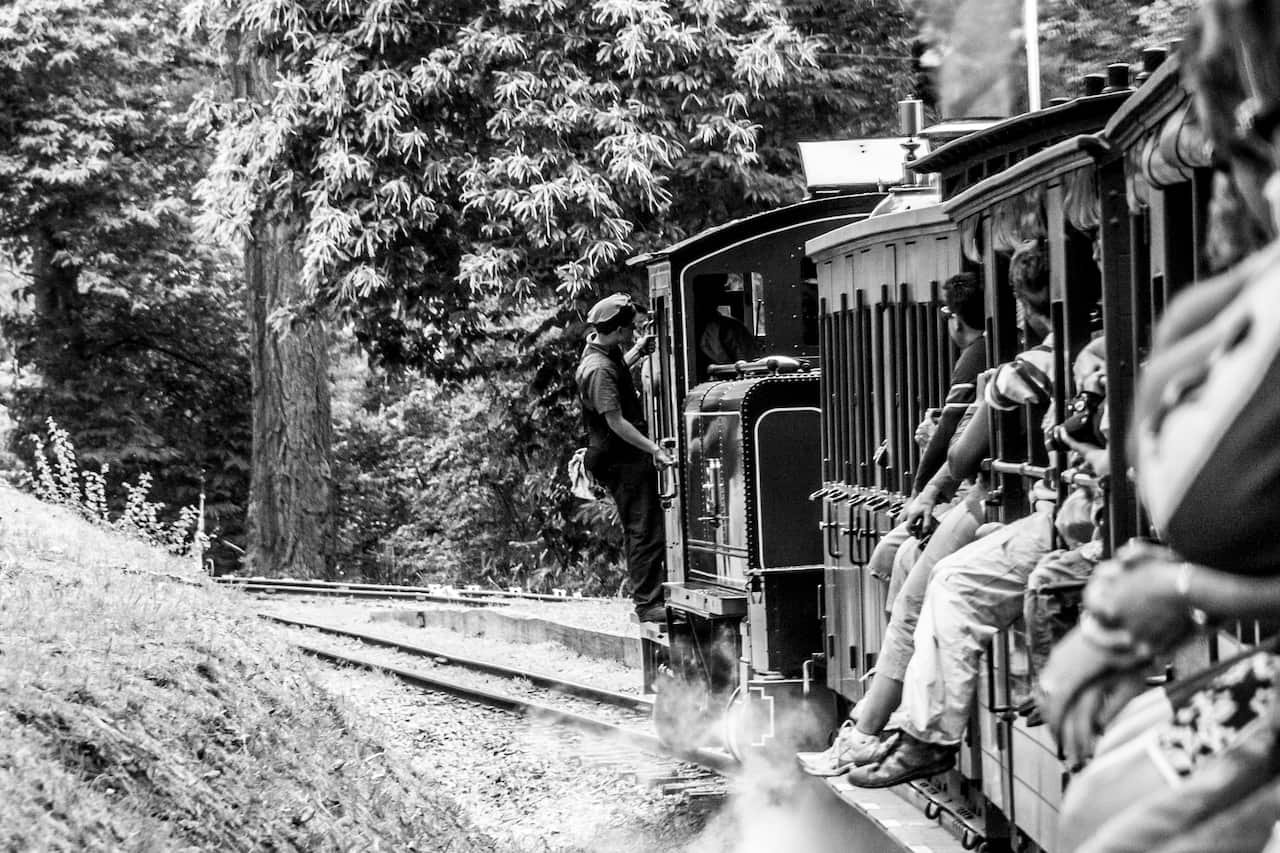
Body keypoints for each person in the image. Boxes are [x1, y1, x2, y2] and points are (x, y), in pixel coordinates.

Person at [840, 241, 1108, 788]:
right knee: (936, 576)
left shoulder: (1052, 360)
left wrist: (930, 484)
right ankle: (909, 724)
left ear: (1025, 306)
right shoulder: (1098, 347)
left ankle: (919, 732)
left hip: (1075, 518)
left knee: (945, 582)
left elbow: (967, 445)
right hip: (1062, 512)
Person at [798, 271, 988, 776]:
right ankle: (887, 706)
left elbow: (959, 454)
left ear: (952, 319)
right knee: (901, 567)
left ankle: (872, 727)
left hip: (983, 499)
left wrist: (926, 477)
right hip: (976, 497)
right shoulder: (999, 358)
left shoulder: (983, 359)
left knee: (911, 588)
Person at [576, 293, 675, 622]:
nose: (634, 331)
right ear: (617, 330)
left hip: (622, 453)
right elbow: (616, 422)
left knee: (644, 525)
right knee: (643, 528)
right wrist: (654, 449)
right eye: (631, 328)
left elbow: (617, 370)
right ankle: (648, 604)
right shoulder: (598, 370)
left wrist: (637, 352)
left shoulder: (602, 348)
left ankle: (650, 598)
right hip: (618, 456)